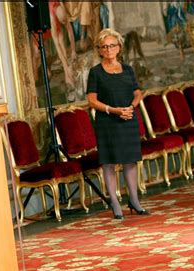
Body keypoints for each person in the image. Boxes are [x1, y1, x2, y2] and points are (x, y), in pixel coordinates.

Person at [86, 28, 149, 220]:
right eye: (103, 47)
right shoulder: (95, 72)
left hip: (129, 119)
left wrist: (131, 107)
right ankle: (115, 202)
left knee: (130, 160)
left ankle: (134, 201)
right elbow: (92, 101)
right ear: (99, 50)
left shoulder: (128, 69)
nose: (108, 49)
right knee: (109, 162)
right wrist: (112, 110)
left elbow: (137, 92)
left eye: (112, 45)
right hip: (107, 122)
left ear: (119, 47)